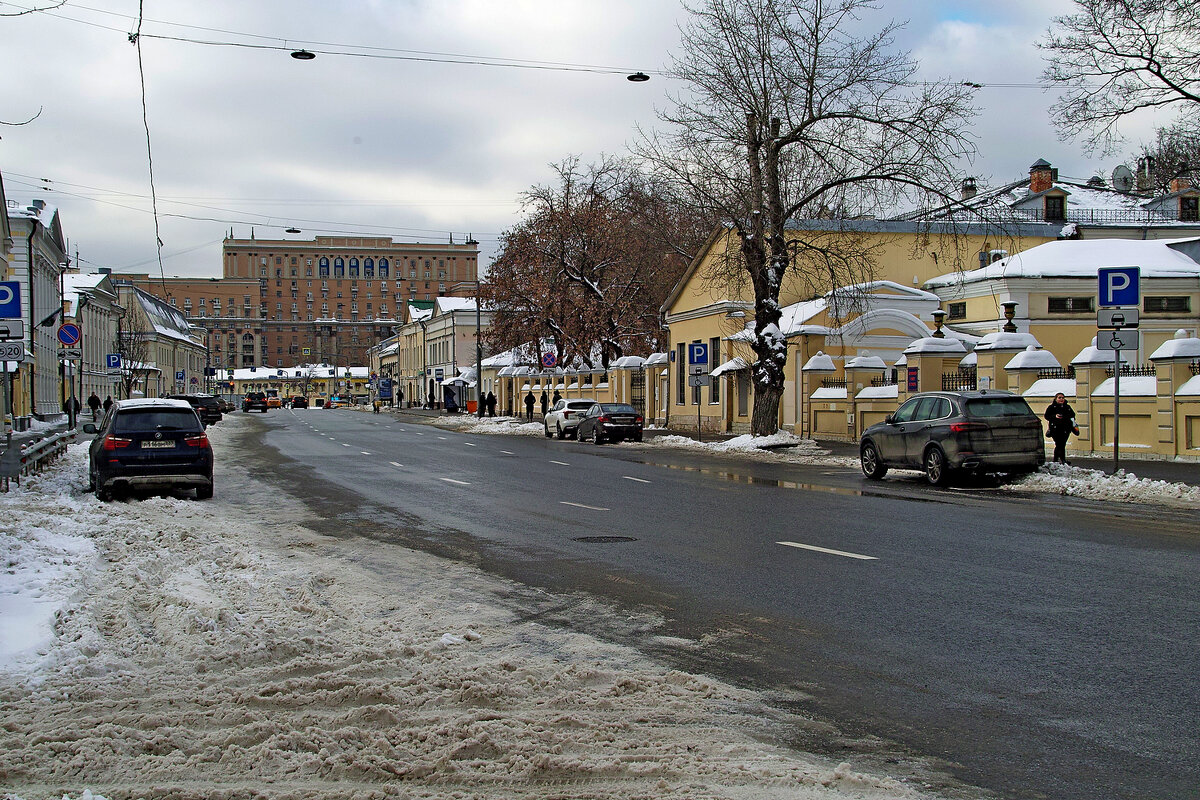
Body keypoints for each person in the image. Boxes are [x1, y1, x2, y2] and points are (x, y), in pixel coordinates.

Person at [1044, 391, 1076, 464]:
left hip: (1065, 429)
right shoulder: (1052, 407)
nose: (1061, 399)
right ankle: (1061, 460)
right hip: (1055, 429)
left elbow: (1072, 415)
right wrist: (1055, 416)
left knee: (1062, 444)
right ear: (1056, 399)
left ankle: (1057, 460)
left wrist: (1067, 419)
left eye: (1062, 398)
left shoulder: (1067, 407)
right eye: (1059, 398)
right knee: (1059, 444)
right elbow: (1047, 416)